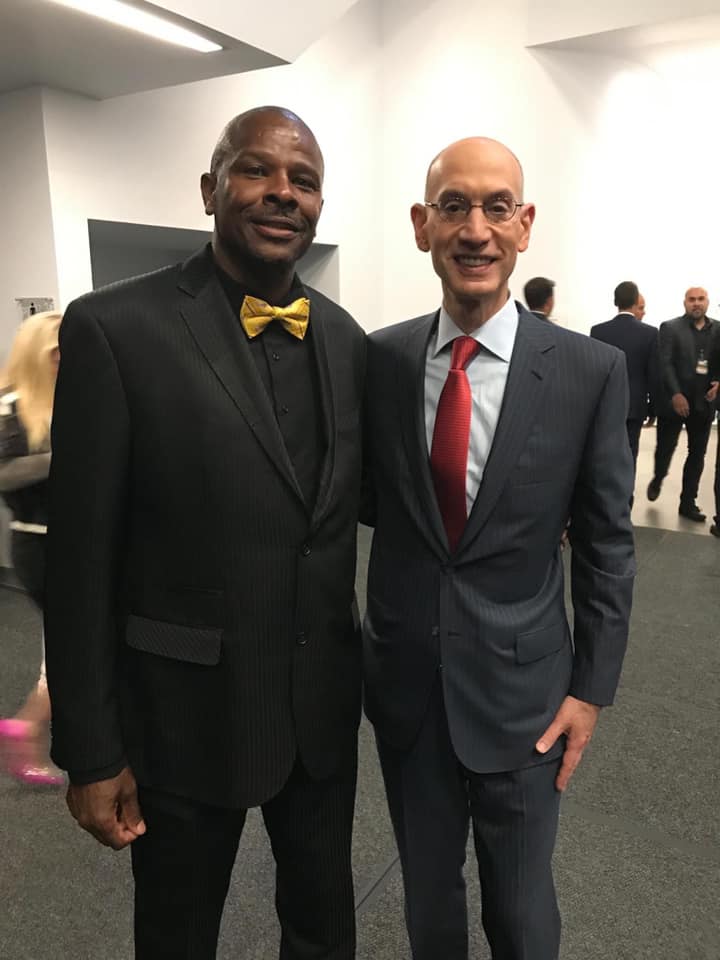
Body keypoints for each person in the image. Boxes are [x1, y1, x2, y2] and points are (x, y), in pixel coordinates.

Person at [44, 106, 365, 959]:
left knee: (326, 930)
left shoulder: (345, 340)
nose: (282, 193)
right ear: (209, 188)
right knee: (178, 939)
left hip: (321, 714)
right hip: (182, 717)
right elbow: (79, 564)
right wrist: (90, 751)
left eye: (304, 180)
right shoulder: (116, 328)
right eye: (258, 171)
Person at [362, 137, 635, 960]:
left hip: (527, 699)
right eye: (453, 206)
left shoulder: (590, 371)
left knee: (520, 915)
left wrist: (591, 690)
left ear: (525, 225)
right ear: (421, 225)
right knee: (428, 908)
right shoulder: (379, 359)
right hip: (409, 689)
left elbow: (606, 546)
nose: (475, 229)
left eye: (496, 207)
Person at [0, 311, 64, 787]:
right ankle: (27, 726)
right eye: (58, 353)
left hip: (75, 541)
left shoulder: (62, 400)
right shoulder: (14, 406)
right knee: (78, 644)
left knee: (68, 642)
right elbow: (3, 474)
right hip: (42, 545)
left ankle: (30, 727)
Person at [646, 287, 719, 522]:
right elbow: (664, 364)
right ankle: (658, 478)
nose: (696, 303)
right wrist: (676, 394)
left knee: (697, 454)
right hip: (675, 403)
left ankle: (688, 502)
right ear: (684, 302)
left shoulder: (718, 329)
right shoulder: (670, 328)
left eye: (700, 299)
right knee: (666, 449)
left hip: (704, 404)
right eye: (692, 300)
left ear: (707, 302)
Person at [590, 281, 657, 475]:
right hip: (635, 406)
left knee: (603, 454)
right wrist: (652, 409)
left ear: (615, 301)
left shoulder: (598, 331)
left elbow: (594, 371)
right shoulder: (650, 333)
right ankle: (625, 500)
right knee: (629, 454)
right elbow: (653, 373)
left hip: (605, 405)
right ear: (636, 301)